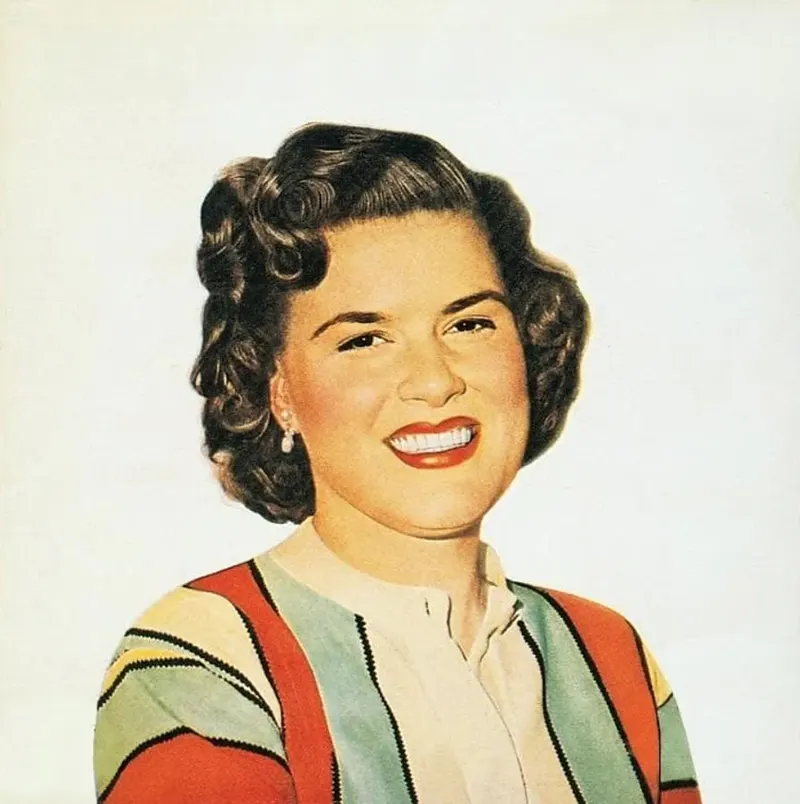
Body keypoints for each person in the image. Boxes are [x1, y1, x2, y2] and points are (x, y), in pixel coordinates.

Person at [93, 123, 701, 803]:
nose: (435, 381)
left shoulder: (613, 658)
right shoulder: (204, 659)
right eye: (365, 339)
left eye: (469, 324)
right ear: (278, 391)